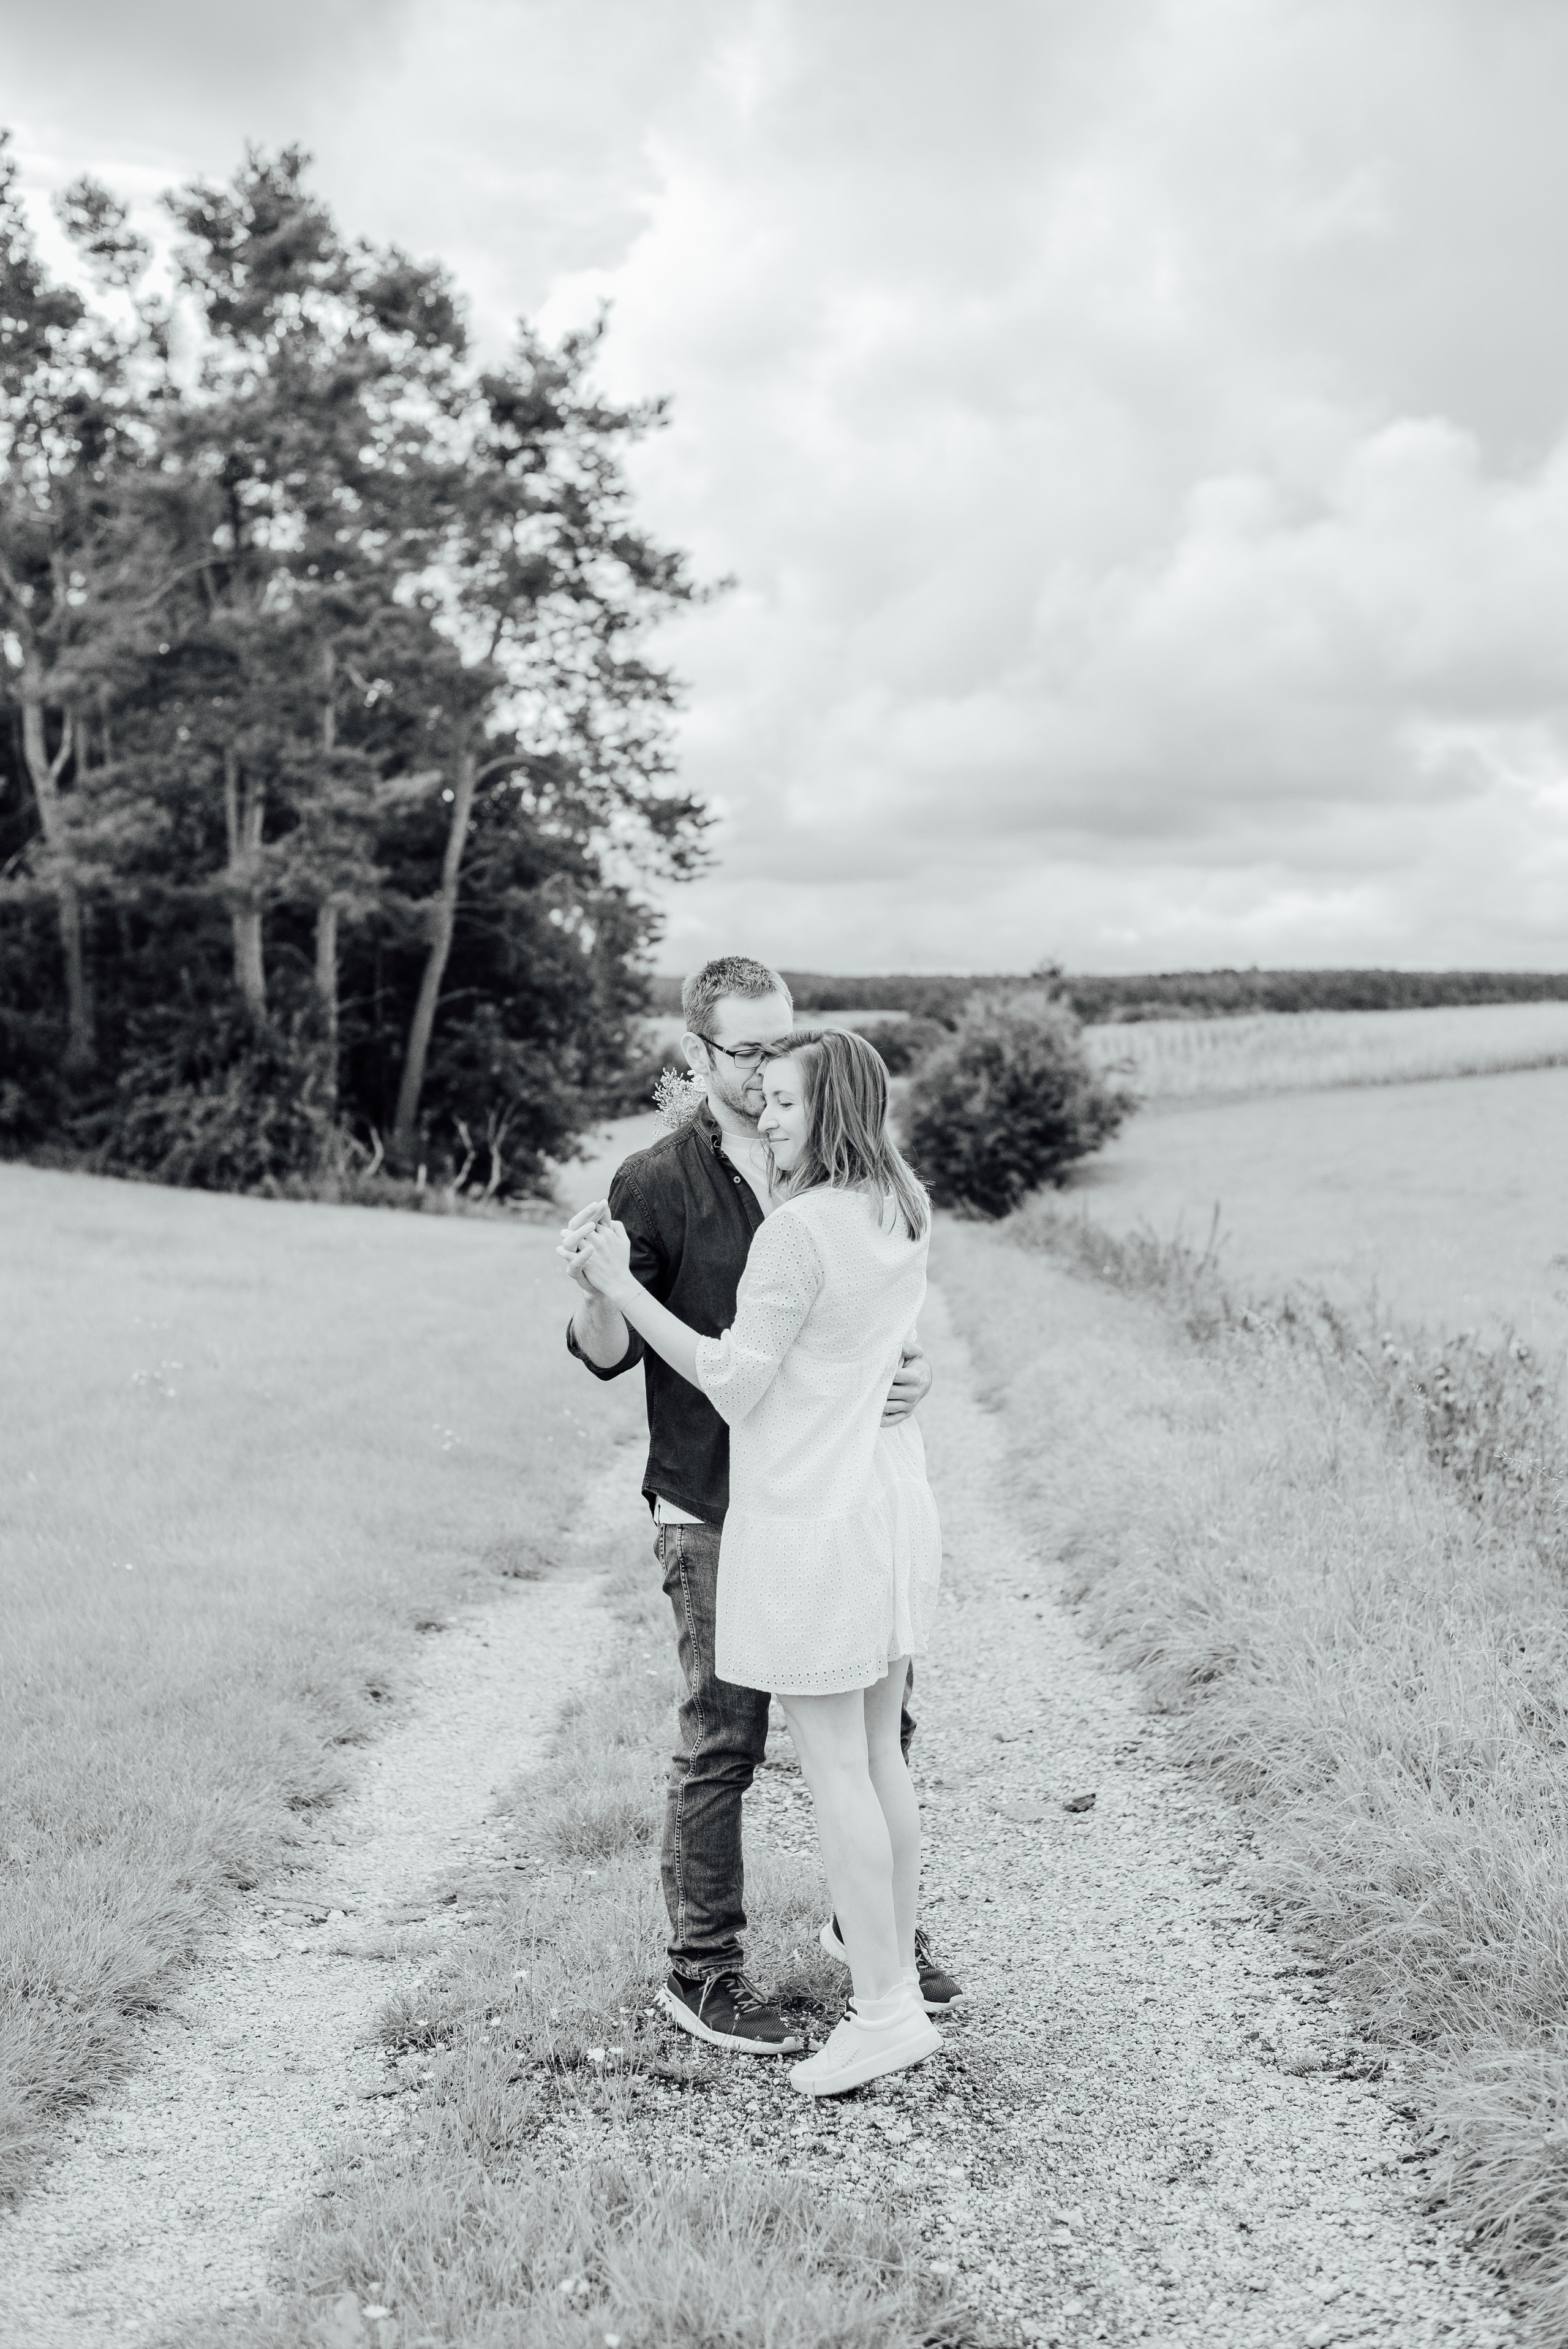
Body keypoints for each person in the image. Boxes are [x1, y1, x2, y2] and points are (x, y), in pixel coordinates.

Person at [561, 955, 962, 2058]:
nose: (768, 1069)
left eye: (784, 1044)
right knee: (722, 1744)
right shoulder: (654, 1180)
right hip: (715, 1501)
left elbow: (870, 1328)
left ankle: (874, 1942)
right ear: (697, 1056)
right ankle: (704, 1971)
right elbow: (604, 1351)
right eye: (746, 1053)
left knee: (881, 1739)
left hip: (828, 1498)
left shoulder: (832, 1172)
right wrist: (599, 1289)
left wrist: (913, 1372)